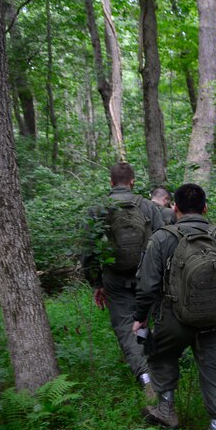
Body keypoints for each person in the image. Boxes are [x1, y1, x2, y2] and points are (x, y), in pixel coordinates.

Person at [132, 183, 216, 430]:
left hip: (172, 317)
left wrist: (140, 318)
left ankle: (166, 409)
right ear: (205, 208)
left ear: (175, 208)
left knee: (160, 354)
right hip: (215, 318)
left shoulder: (162, 238)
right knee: (214, 368)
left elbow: (147, 286)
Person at [82, 162, 163, 398]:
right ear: (133, 181)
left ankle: (146, 377)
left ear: (110, 182)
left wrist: (96, 283)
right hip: (148, 275)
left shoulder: (98, 210)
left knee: (126, 326)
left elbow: (88, 251)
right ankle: (156, 367)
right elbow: (162, 241)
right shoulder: (148, 207)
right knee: (147, 318)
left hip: (115, 278)